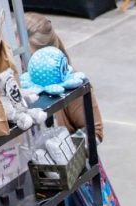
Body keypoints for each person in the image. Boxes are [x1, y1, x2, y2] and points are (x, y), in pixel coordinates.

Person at [24, 12, 104, 143]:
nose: (22, 64)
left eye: (30, 58)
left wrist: (62, 148)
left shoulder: (70, 84)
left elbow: (95, 133)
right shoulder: (14, 81)